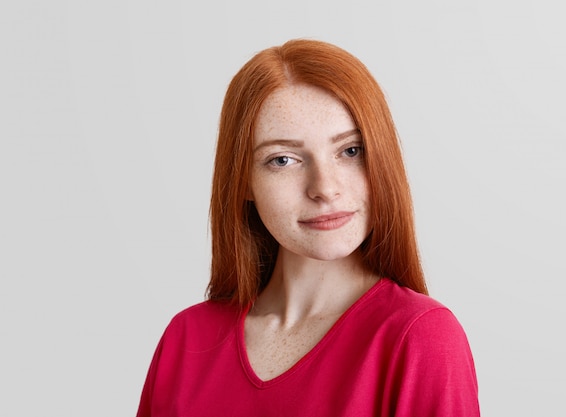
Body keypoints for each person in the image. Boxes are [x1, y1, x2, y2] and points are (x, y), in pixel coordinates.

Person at [136, 38, 480, 416]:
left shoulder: (419, 338)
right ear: (243, 181)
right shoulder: (186, 340)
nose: (325, 188)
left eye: (351, 151)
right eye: (283, 159)